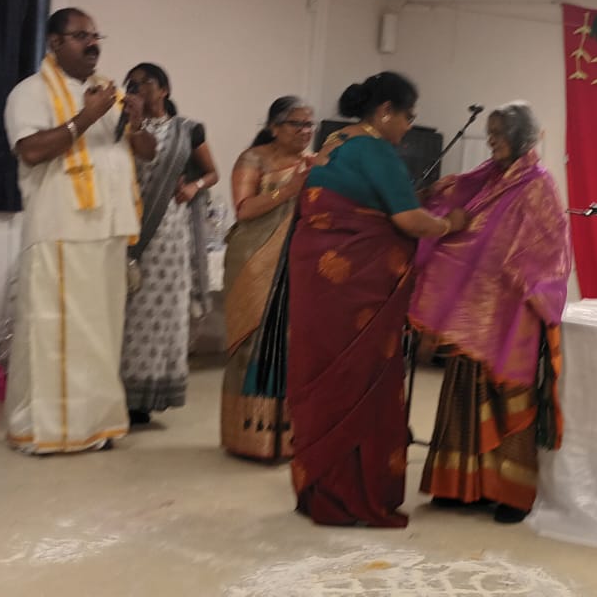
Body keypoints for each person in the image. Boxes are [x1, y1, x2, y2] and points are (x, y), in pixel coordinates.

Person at [286, 71, 467, 528]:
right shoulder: (376, 149)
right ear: (385, 111)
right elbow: (408, 220)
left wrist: (420, 197)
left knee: (325, 377)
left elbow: (360, 204)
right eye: (408, 116)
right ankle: (352, 496)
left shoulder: (335, 142)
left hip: (317, 286)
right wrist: (452, 224)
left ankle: (319, 488)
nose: (409, 126)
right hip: (356, 294)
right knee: (360, 384)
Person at [3, 7, 155, 455]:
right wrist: (86, 117)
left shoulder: (107, 93)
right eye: (81, 36)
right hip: (61, 228)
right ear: (54, 43)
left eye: (95, 36)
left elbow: (146, 152)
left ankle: (95, 424)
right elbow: (31, 151)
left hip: (109, 228)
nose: (92, 44)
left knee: (101, 336)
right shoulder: (29, 92)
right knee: (54, 332)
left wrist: (137, 122)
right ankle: (49, 429)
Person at [411, 101, 572, 525]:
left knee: (507, 397)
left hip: (512, 313)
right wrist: (429, 201)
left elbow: (550, 248)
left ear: (520, 136)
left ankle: (511, 495)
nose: (492, 141)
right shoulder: (487, 176)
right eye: (491, 133)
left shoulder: (538, 185)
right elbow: (455, 200)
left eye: (499, 133)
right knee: (463, 392)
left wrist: (520, 274)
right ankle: (459, 487)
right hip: (472, 309)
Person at [118, 63, 217, 425]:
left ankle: (146, 397)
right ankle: (115, 392)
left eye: (146, 82)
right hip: (126, 225)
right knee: (124, 314)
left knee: (158, 314)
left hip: (168, 234)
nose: (138, 88)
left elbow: (211, 173)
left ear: (164, 90)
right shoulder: (120, 125)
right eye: (132, 83)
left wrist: (193, 187)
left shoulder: (187, 130)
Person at [220, 95, 315, 461]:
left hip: (297, 260)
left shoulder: (313, 162)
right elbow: (244, 210)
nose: (305, 131)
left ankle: (285, 433)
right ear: (275, 127)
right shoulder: (253, 159)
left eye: (309, 124)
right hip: (253, 259)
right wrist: (290, 189)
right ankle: (247, 435)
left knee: (291, 344)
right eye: (297, 124)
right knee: (254, 343)